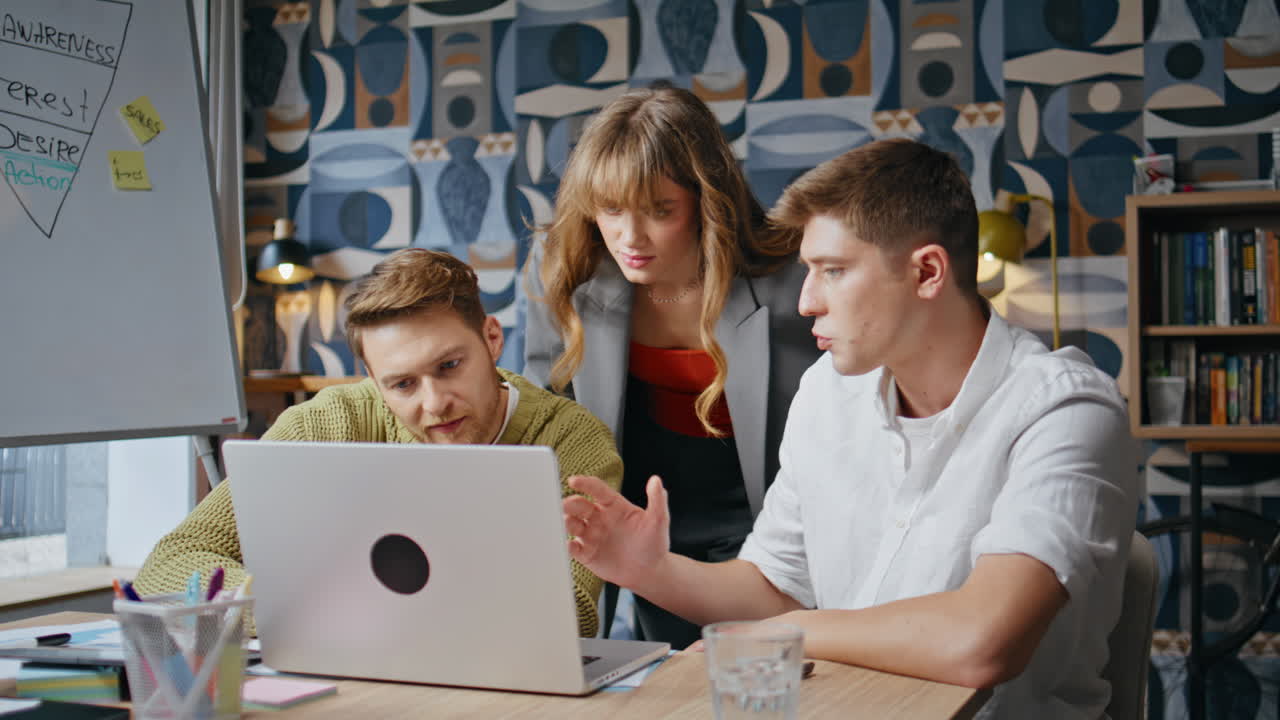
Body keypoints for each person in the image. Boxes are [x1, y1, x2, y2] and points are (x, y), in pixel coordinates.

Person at [562, 139, 1139, 717]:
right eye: (809, 271)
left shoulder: (1065, 412)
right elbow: (773, 589)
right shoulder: (826, 392)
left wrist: (791, 632)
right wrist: (647, 568)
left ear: (927, 272)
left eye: (832, 271)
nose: (807, 300)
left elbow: (982, 642)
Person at [135, 248, 623, 638]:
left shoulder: (573, 441)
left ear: (492, 338)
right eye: (402, 385)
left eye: (449, 366)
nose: (435, 404)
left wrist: (343, 611)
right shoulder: (327, 424)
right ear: (371, 378)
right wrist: (303, 615)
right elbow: (171, 564)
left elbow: (567, 609)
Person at [523, 86, 820, 648]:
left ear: (707, 200)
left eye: (661, 211)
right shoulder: (564, 272)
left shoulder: (790, 280)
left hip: (768, 529)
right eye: (611, 209)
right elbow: (548, 421)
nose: (630, 239)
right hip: (649, 527)